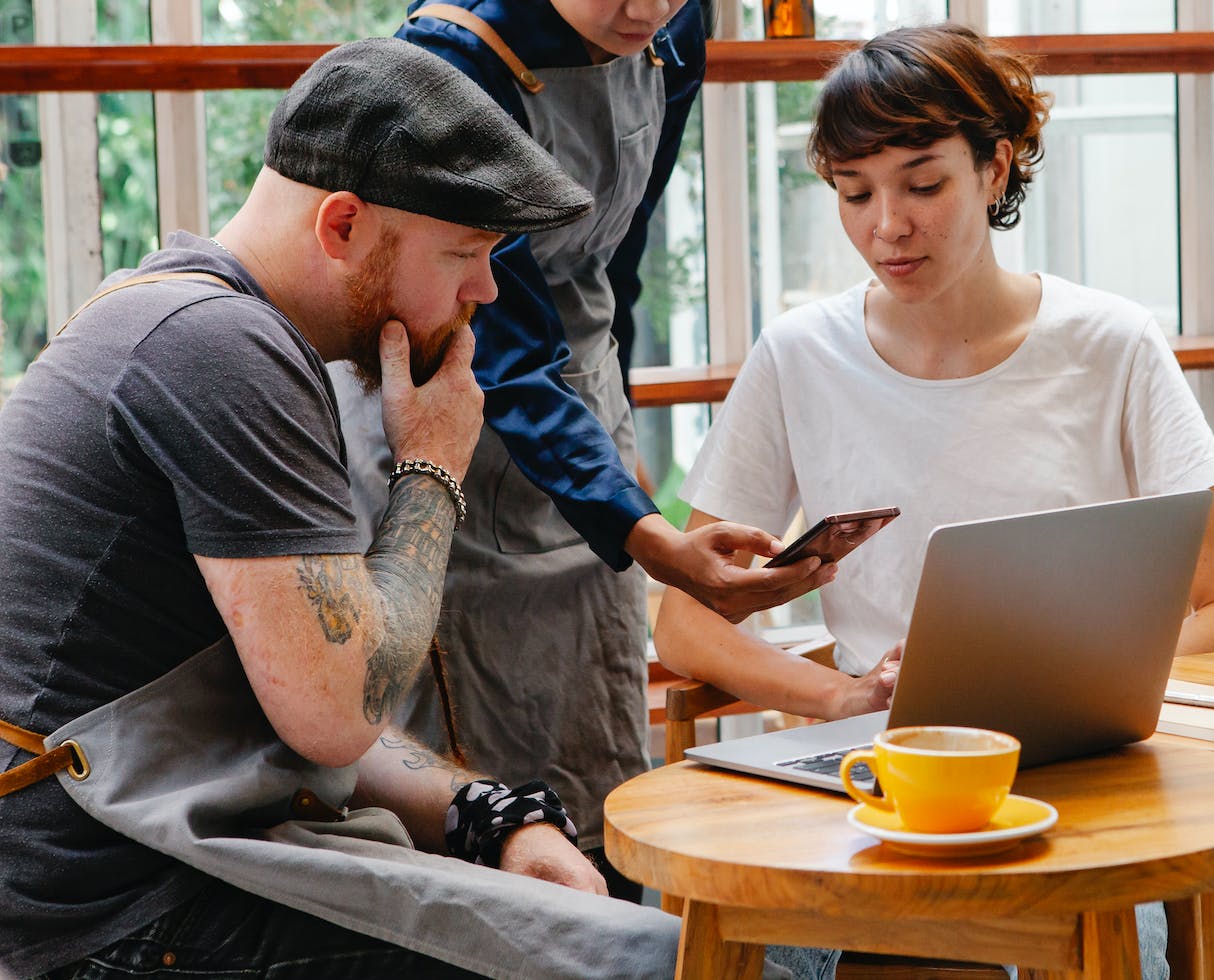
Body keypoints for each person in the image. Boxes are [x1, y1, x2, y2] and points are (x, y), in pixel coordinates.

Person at [0, 39, 749, 979]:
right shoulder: (218, 349)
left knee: (653, 945)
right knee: (661, 962)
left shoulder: (186, 316)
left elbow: (302, 683)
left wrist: (487, 815)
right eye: (466, 255)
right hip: (112, 911)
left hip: (148, 858)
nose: (484, 292)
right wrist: (433, 467)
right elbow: (337, 712)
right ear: (342, 224)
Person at [328, 0, 822, 898]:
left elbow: (618, 258)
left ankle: (612, 922)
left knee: (594, 714)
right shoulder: (453, 60)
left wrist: (616, 454)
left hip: (583, 390)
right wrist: (652, 536)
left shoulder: (675, 29)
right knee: (484, 743)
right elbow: (505, 342)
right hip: (461, 392)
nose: (645, 9)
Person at [655, 22, 1214, 720]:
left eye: (923, 185)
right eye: (855, 194)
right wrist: (843, 696)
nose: (889, 226)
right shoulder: (798, 353)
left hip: (1082, 737)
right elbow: (686, 624)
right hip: (885, 753)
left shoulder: (1112, 343)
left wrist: (1066, 687)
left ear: (994, 168)